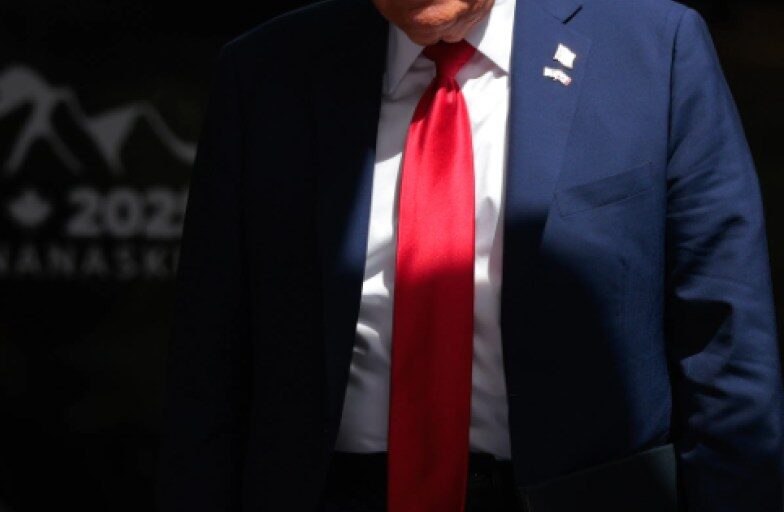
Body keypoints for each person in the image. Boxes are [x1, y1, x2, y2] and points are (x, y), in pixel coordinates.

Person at [157, 0, 784, 510]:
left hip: (573, 490)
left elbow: (725, 342)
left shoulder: (652, 49)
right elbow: (209, 356)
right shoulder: (267, 72)